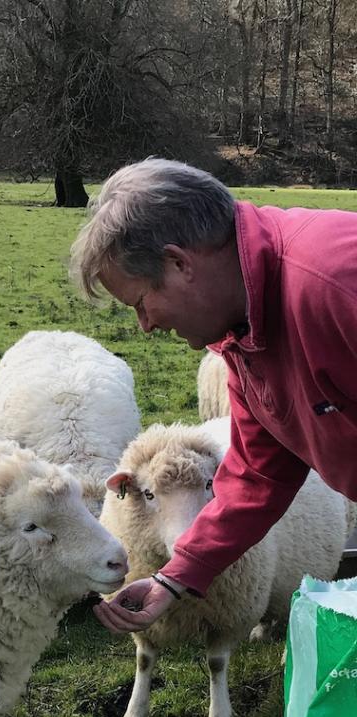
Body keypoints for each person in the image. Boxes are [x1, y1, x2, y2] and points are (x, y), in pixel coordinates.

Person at [69, 157, 357, 634]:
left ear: (180, 263)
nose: (146, 326)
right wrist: (176, 577)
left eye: (141, 303)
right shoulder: (246, 336)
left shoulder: (335, 287)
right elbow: (257, 475)